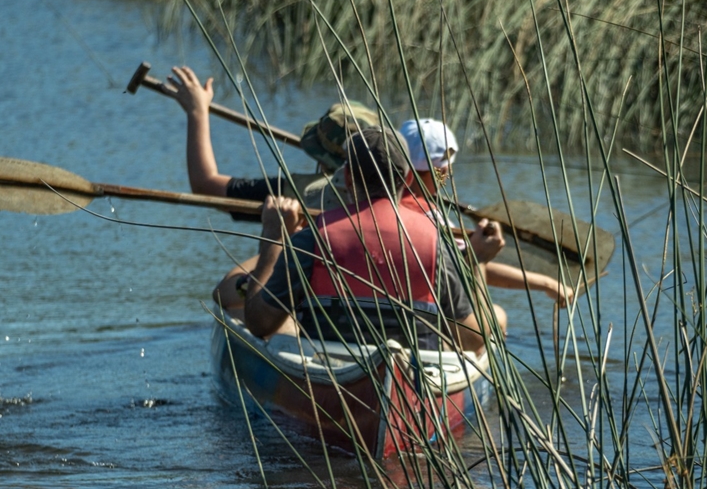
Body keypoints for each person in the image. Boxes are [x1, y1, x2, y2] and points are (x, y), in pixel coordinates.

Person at [241, 126, 505, 354]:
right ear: (408, 178)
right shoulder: (436, 242)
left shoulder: (312, 238)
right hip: (413, 379)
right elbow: (473, 339)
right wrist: (478, 261)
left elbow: (259, 323)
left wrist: (273, 237)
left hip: (329, 373)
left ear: (347, 177)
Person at [397, 119, 574, 312]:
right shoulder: (428, 214)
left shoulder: (384, 201)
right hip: (420, 311)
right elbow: (470, 265)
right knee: (498, 315)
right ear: (443, 170)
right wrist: (547, 284)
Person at [164, 65, 374, 214]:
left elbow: (206, 186)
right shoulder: (391, 190)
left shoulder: (307, 191)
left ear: (322, 160)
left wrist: (197, 112)